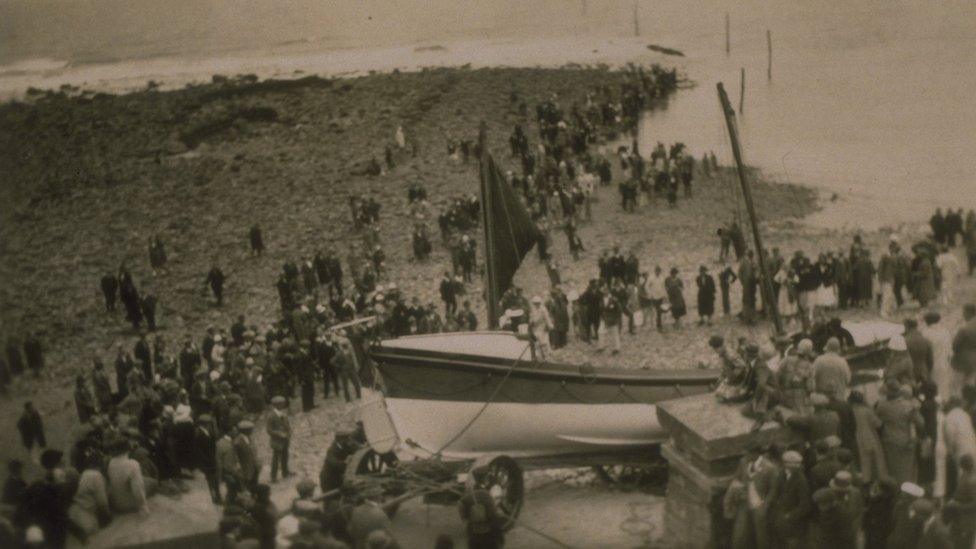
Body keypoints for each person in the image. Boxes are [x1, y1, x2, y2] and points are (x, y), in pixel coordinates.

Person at [16, 449, 70, 548]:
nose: (63, 471)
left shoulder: (44, 486)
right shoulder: (42, 489)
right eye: (60, 465)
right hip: (47, 537)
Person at [876, 379, 924, 483]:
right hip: (905, 443)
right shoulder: (908, 406)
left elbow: (877, 423)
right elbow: (921, 423)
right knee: (906, 472)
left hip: (888, 442)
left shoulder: (881, 406)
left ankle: (894, 493)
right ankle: (905, 494)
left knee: (892, 471)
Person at [767, 450, 810, 548]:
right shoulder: (781, 474)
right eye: (794, 465)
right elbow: (775, 492)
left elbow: (805, 505)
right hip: (780, 519)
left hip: (794, 523)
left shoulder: (801, 480)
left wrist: (789, 516)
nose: (797, 467)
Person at [458, 467, 505, 549]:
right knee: (497, 525)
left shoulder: (469, 493)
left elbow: (462, 508)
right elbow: (492, 514)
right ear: (484, 478)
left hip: (473, 530)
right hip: (487, 532)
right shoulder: (486, 495)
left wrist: (468, 519)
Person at [68, 454, 111, 540]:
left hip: (76, 515)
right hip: (88, 516)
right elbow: (102, 502)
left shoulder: (85, 473)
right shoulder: (96, 475)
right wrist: (109, 516)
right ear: (101, 464)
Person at [850, 391, 888, 483]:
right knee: (875, 462)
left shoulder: (850, 411)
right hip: (870, 437)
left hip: (855, 438)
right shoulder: (867, 410)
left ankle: (864, 482)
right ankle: (879, 481)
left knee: (862, 463)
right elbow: (878, 424)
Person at [106, 436, 149, 515]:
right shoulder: (133, 464)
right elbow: (137, 489)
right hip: (131, 504)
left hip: (118, 503)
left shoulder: (111, 462)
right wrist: (143, 506)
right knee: (152, 482)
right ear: (128, 448)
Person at [921, 311, 954, 400]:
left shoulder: (925, 333)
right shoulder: (945, 332)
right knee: (943, 388)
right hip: (944, 364)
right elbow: (950, 352)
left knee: (931, 389)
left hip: (930, 365)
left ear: (927, 322)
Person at [946, 454, 976, 549]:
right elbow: (958, 493)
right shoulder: (964, 476)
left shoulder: (972, 481)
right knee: (955, 542)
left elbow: (974, 504)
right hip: (958, 519)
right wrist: (953, 500)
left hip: (966, 521)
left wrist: (957, 505)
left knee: (964, 545)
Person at [812, 338, 852, 402]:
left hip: (823, 401)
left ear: (827, 348)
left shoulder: (818, 360)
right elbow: (848, 380)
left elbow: (812, 379)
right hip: (839, 399)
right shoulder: (843, 362)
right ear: (838, 349)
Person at [267, 396, 292, 483]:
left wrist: (289, 432)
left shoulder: (283, 414)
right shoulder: (271, 416)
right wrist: (279, 434)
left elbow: (287, 425)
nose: (283, 405)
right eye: (282, 404)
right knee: (276, 459)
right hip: (277, 441)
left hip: (285, 439)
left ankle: (285, 472)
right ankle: (273, 477)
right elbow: (269, 430)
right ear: (276, 405)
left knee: (285, 456)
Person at [236, 420, 261, 491]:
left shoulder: (250, 438)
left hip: (254, 467)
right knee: (248, 487)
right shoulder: (238, 442)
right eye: (250, 429)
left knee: (255, 485)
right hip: (246, 468)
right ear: (245, 430)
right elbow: (236, 457)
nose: (252, 431)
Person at [599, 287, 623, 354]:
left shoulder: (614, 300)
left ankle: (616, 348)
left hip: (612, 319)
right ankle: (601, 347)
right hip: (604, 318)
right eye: (604, 291)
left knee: (614, 333)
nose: (605, 292)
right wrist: (602, 316)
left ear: (609, 292)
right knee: (600, 332)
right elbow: (601, 309)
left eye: (606, 291)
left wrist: (616, 318)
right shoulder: (601, 300)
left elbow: (619, 310)